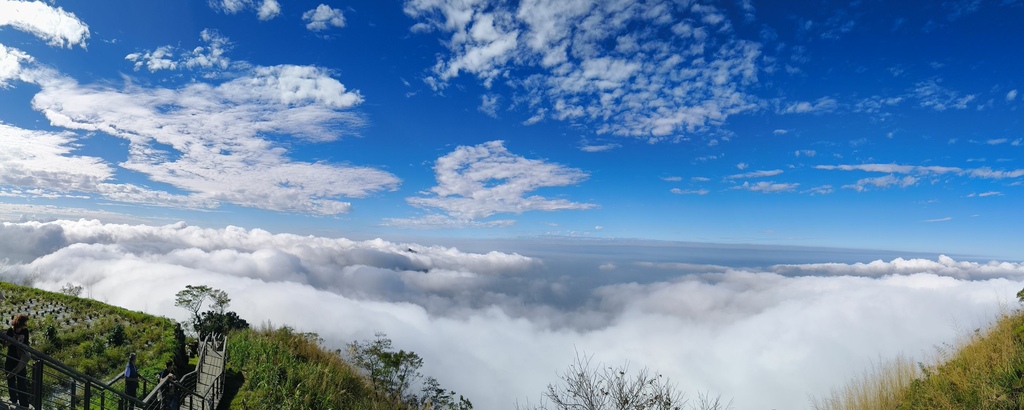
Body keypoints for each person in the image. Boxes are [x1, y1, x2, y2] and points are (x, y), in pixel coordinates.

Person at [4, 314, 30, 408]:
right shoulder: (11, 330)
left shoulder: (25, 331)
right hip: (11, 357)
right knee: (10, 378)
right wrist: (14, 340)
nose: (26, 324)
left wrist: (22, 341)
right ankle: (13, 399)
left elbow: (27, 345)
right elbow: (5, 344)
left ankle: (24, 403)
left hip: (20, 360)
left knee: (21, 381)